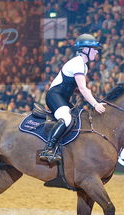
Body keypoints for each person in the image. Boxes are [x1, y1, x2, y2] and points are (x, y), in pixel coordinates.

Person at [39, 34, 106, 163]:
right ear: (85, 50)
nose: (96, 51)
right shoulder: (78, 63)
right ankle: (48, 149)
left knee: (79, 118)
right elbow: (82, 88)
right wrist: (95, 104)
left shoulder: (84, 66)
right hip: (54, 96)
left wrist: (90, 97)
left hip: (63, 98)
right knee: (66, 118)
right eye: (94, 48)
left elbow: (76, 88)